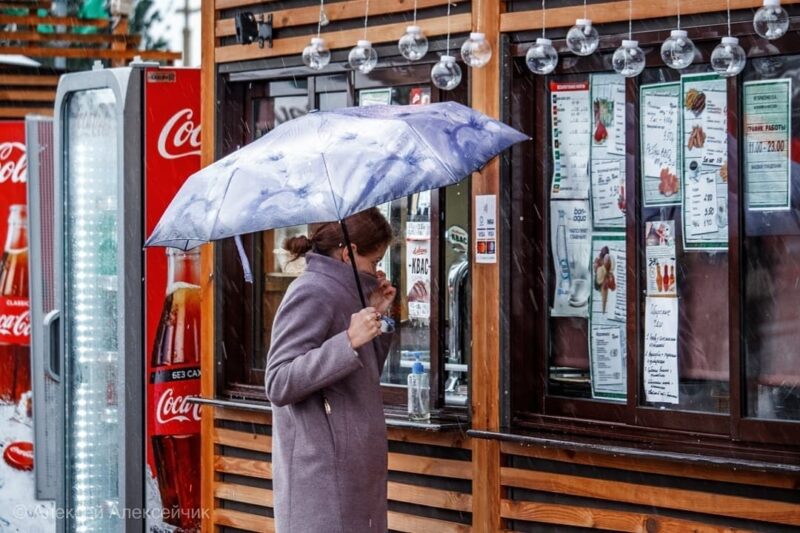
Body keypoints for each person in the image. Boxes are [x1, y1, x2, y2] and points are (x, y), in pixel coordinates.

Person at [265, 207, 396, 533]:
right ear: (349, 253)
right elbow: (278, 381)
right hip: (322, 478)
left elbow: (362, 377)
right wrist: (348, 341)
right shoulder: (311, 291)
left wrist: (377, 315)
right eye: (374, 262)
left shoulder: (349, 293)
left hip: (351, 473)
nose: (376, 271)